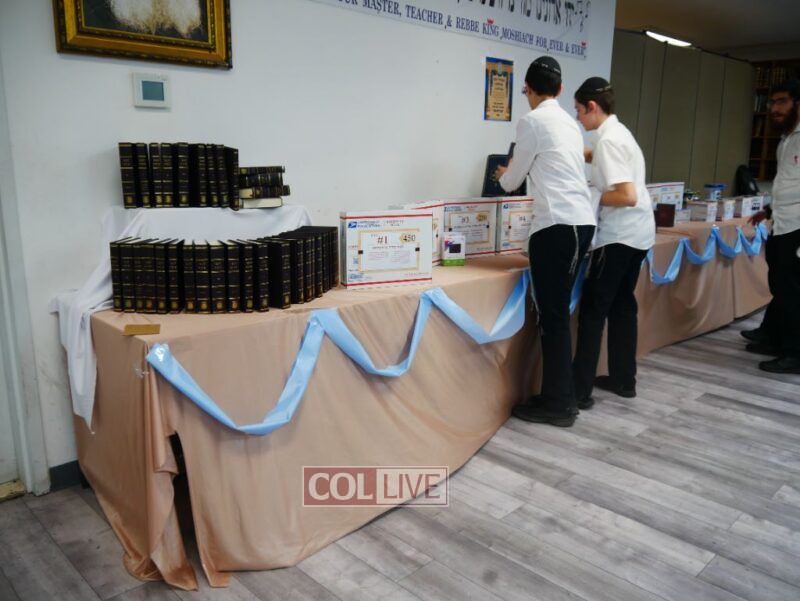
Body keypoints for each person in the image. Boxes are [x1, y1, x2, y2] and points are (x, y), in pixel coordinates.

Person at [495, 56, 596, 427]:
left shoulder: (532, 121)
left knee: (552, 318)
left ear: (528, 89)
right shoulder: (571, 123)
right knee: (559, 316)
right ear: (562, 89)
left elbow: (511, 181)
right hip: (582, 224)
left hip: (555, 226)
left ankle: (558, 405)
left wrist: (504, 173)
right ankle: (561, 395)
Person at [570, 77, 656, 405]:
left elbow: (626, 196)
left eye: (579, 110)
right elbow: (603, 159)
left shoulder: (609, 141)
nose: (578, 118)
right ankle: (623, 379)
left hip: (618, 237)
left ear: (592, 107)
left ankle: (579, 391)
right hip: (638, 235)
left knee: (594, 310)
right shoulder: (619, 134)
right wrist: (575, 151)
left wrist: (586, 196)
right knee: (622, 306)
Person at [744, 79, 800, 374]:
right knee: (781, 286)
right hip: (782, 223)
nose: (774, 109)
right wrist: (767, 210)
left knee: (792, 291)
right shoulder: (786, 137)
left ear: (797, 104)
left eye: (781, 102)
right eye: (772, 103)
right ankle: (776, 339)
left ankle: (795, 354)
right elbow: (787, 184)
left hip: (797, 227)